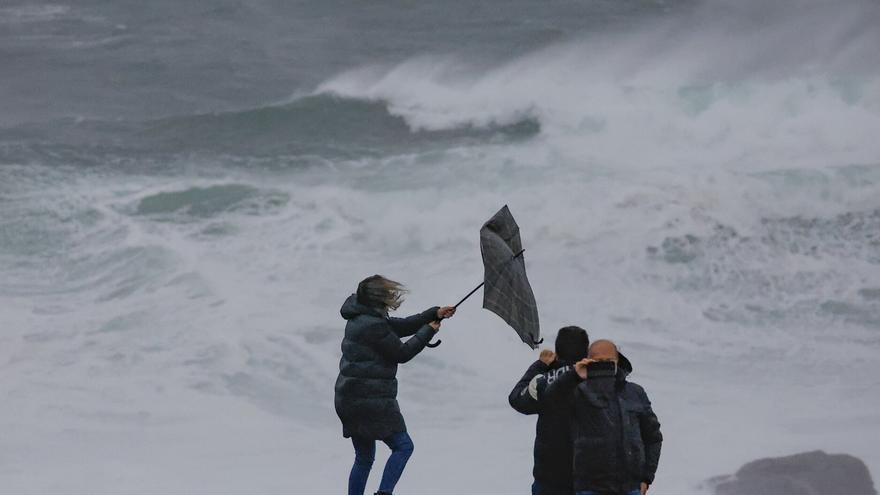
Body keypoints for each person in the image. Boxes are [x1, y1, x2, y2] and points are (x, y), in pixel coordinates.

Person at [334, 275, 456, 495]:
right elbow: (402, 353)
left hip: (349, 399)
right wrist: (428, 331)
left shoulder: (361, 316)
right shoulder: (372, 324)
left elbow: (399, 326)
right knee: (403, 446)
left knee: (364, 458)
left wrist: (435, 314)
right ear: (378, 299)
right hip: (370, 401)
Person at [545, 340, 662, 495]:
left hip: (631, 488)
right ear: (588, 361)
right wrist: (574, 375)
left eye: (609, 361)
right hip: (589, 488)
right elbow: (549, 402)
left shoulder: (635, 392)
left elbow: (653, 437)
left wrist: (647, 477)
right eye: (598, 361)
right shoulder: (577, 392)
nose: (604, 365)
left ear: (618, 362)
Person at [508, 326, 590, 495]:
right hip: (591, 478)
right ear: (586, 353)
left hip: (550, 478)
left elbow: (517, 398)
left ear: (557, 352)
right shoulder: (596, 380)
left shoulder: (545, 381)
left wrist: (540, 365)